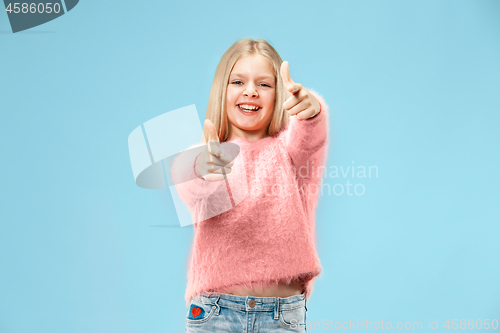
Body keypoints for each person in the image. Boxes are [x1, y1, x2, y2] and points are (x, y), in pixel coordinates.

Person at [170, 37, 330, 332]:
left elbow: (309, 138)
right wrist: (204, 167)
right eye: (238, 82)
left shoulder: (292, 154)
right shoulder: (207, 156)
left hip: (282, 316)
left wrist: (310, 111)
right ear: (222, 90)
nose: (251, 92)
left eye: (264, 85)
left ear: (279, 94)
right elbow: (189, 182)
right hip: (215, 313)